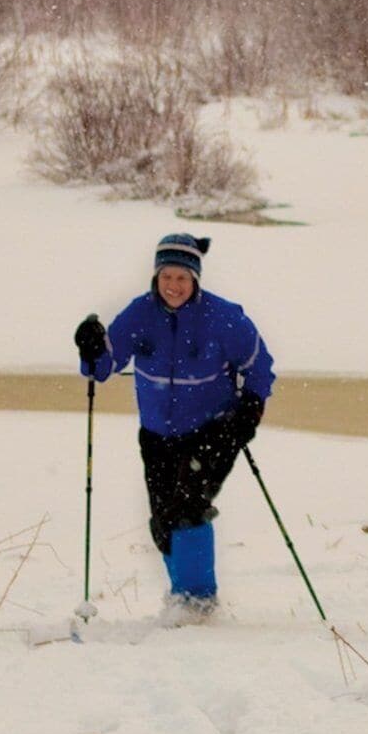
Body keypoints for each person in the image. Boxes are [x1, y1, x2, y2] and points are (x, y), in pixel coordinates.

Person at [73, 231, 274, 623]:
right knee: (163, 520)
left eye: (182, 278)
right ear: (156, 276)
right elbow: (103, 367)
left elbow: (259, 368)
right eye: (167, 276)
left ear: (195, 279)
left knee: (188, 505)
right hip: (156, 434)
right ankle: (182, 596)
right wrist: (91, 346)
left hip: (212, 431)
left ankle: (198, 602)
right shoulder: (140, 314)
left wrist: (248, 412)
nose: (174, 286)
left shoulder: (224, 318)